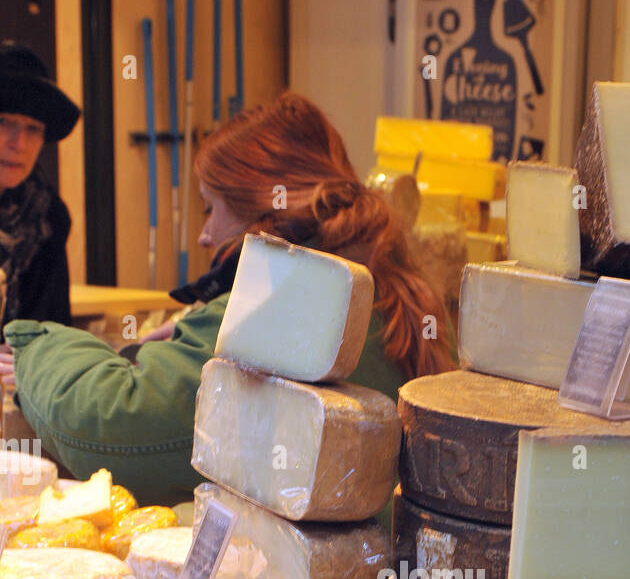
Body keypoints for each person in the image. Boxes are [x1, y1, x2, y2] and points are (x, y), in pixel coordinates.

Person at [0, 91, 454, 504]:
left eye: (210, 208)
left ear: (260, 207)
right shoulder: (388, 290)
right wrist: (196, 327)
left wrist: (35, 347)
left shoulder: (279, 313)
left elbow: (111, 424)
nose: (205, 235)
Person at [0, 42, 80, 327]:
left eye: (32, 129)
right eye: (4, 122)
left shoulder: (46, 216)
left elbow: (52, 328)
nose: (19, 144)